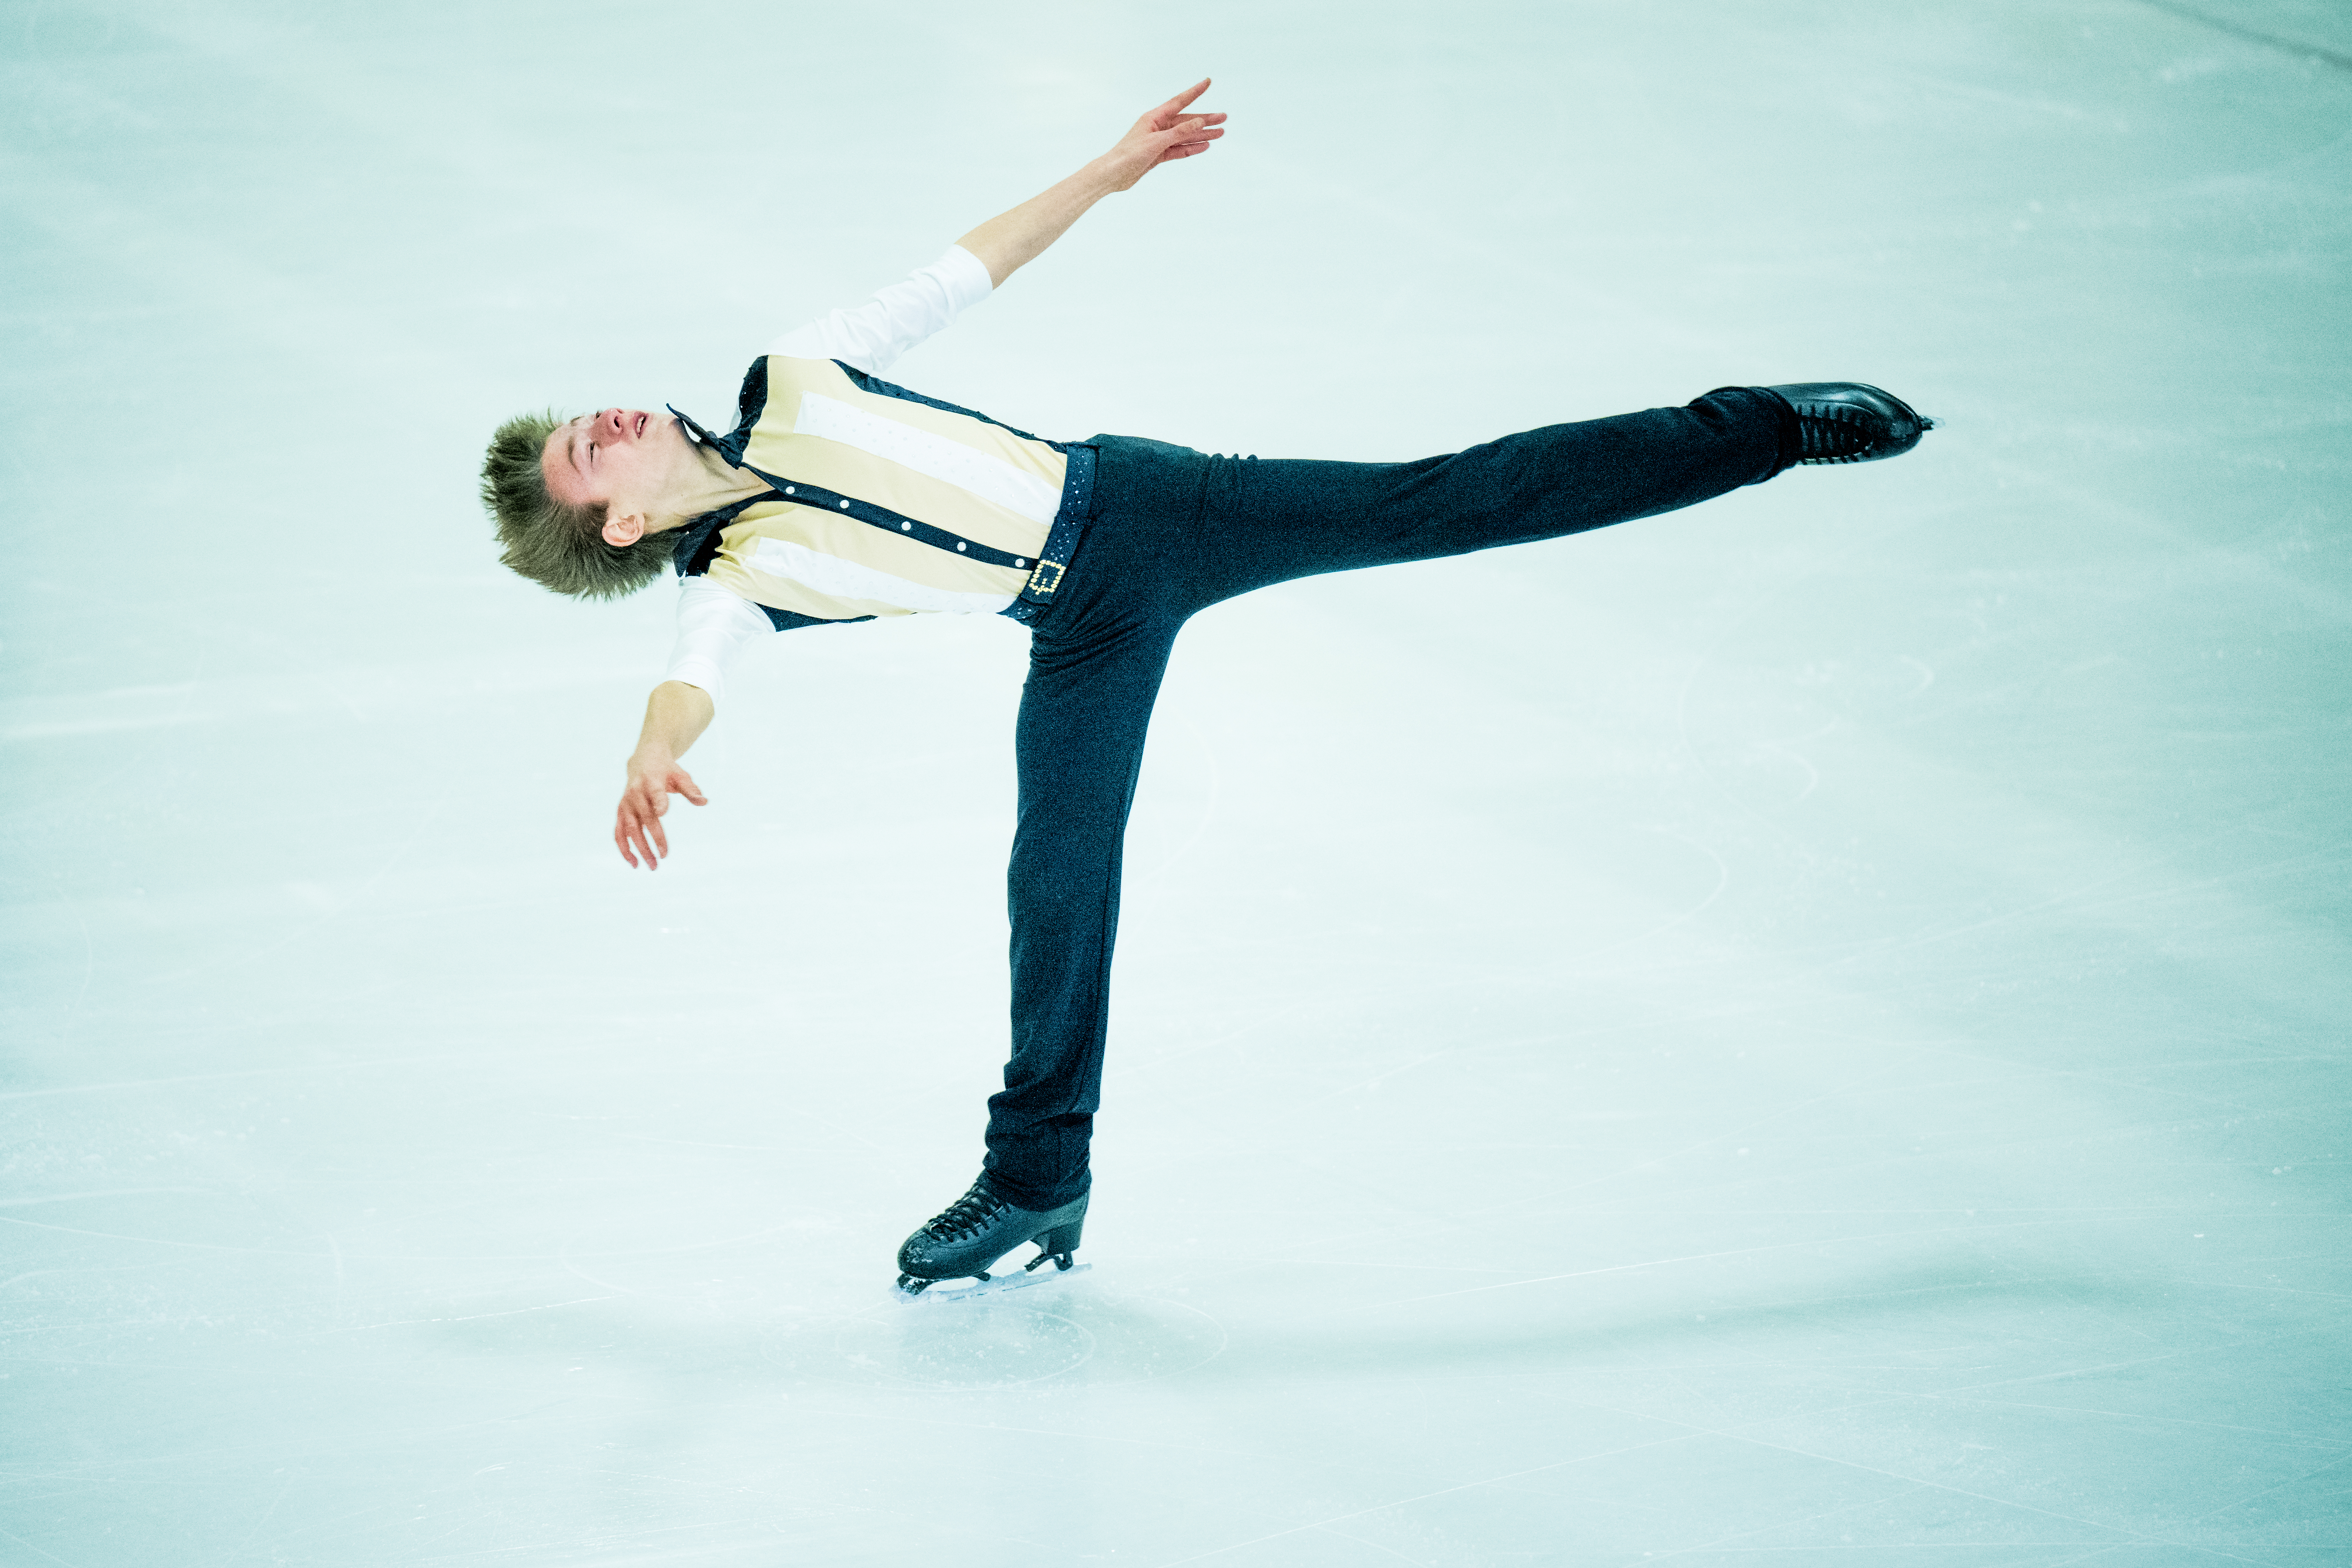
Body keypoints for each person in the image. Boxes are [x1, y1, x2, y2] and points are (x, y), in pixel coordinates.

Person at [477, 79, 1935, 1297]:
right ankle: (1036, 1181)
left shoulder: (797, 371)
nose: (601, 426)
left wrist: (1109, 169)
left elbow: (958, 270)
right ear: (617, 521)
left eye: (582, 425)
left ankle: (1760, 430)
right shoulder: (734, 579)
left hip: (1157, 506)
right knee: (1055, 875)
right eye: (583, 456)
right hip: (1079, 627)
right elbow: (691, 681)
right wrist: (649, 751)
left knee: (1451, 496)